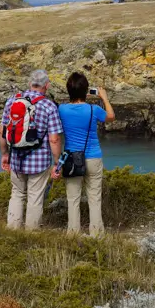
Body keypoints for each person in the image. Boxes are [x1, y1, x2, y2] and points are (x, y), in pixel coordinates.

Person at [0, 69, 63, 231]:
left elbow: (2, 131)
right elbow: (54, 139)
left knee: (17, 194)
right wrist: (57, 163)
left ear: (29, 84)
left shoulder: (12, 101)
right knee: (35, 198)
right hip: (39, 162)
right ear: (46, 86)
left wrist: (5, 154)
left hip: (16, 158)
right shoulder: (48, 106)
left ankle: (12, 230)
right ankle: (31, 234)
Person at [53, 72, 115, 237]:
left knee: (73, 199)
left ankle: (73, 234)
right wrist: (104, 98)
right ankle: (97, 235)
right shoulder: (93, 109)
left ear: (69, 90)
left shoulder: (62, 109)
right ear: (86, 90)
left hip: (72, 158)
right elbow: (111, 117)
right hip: (93, 156)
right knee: (95, 198)